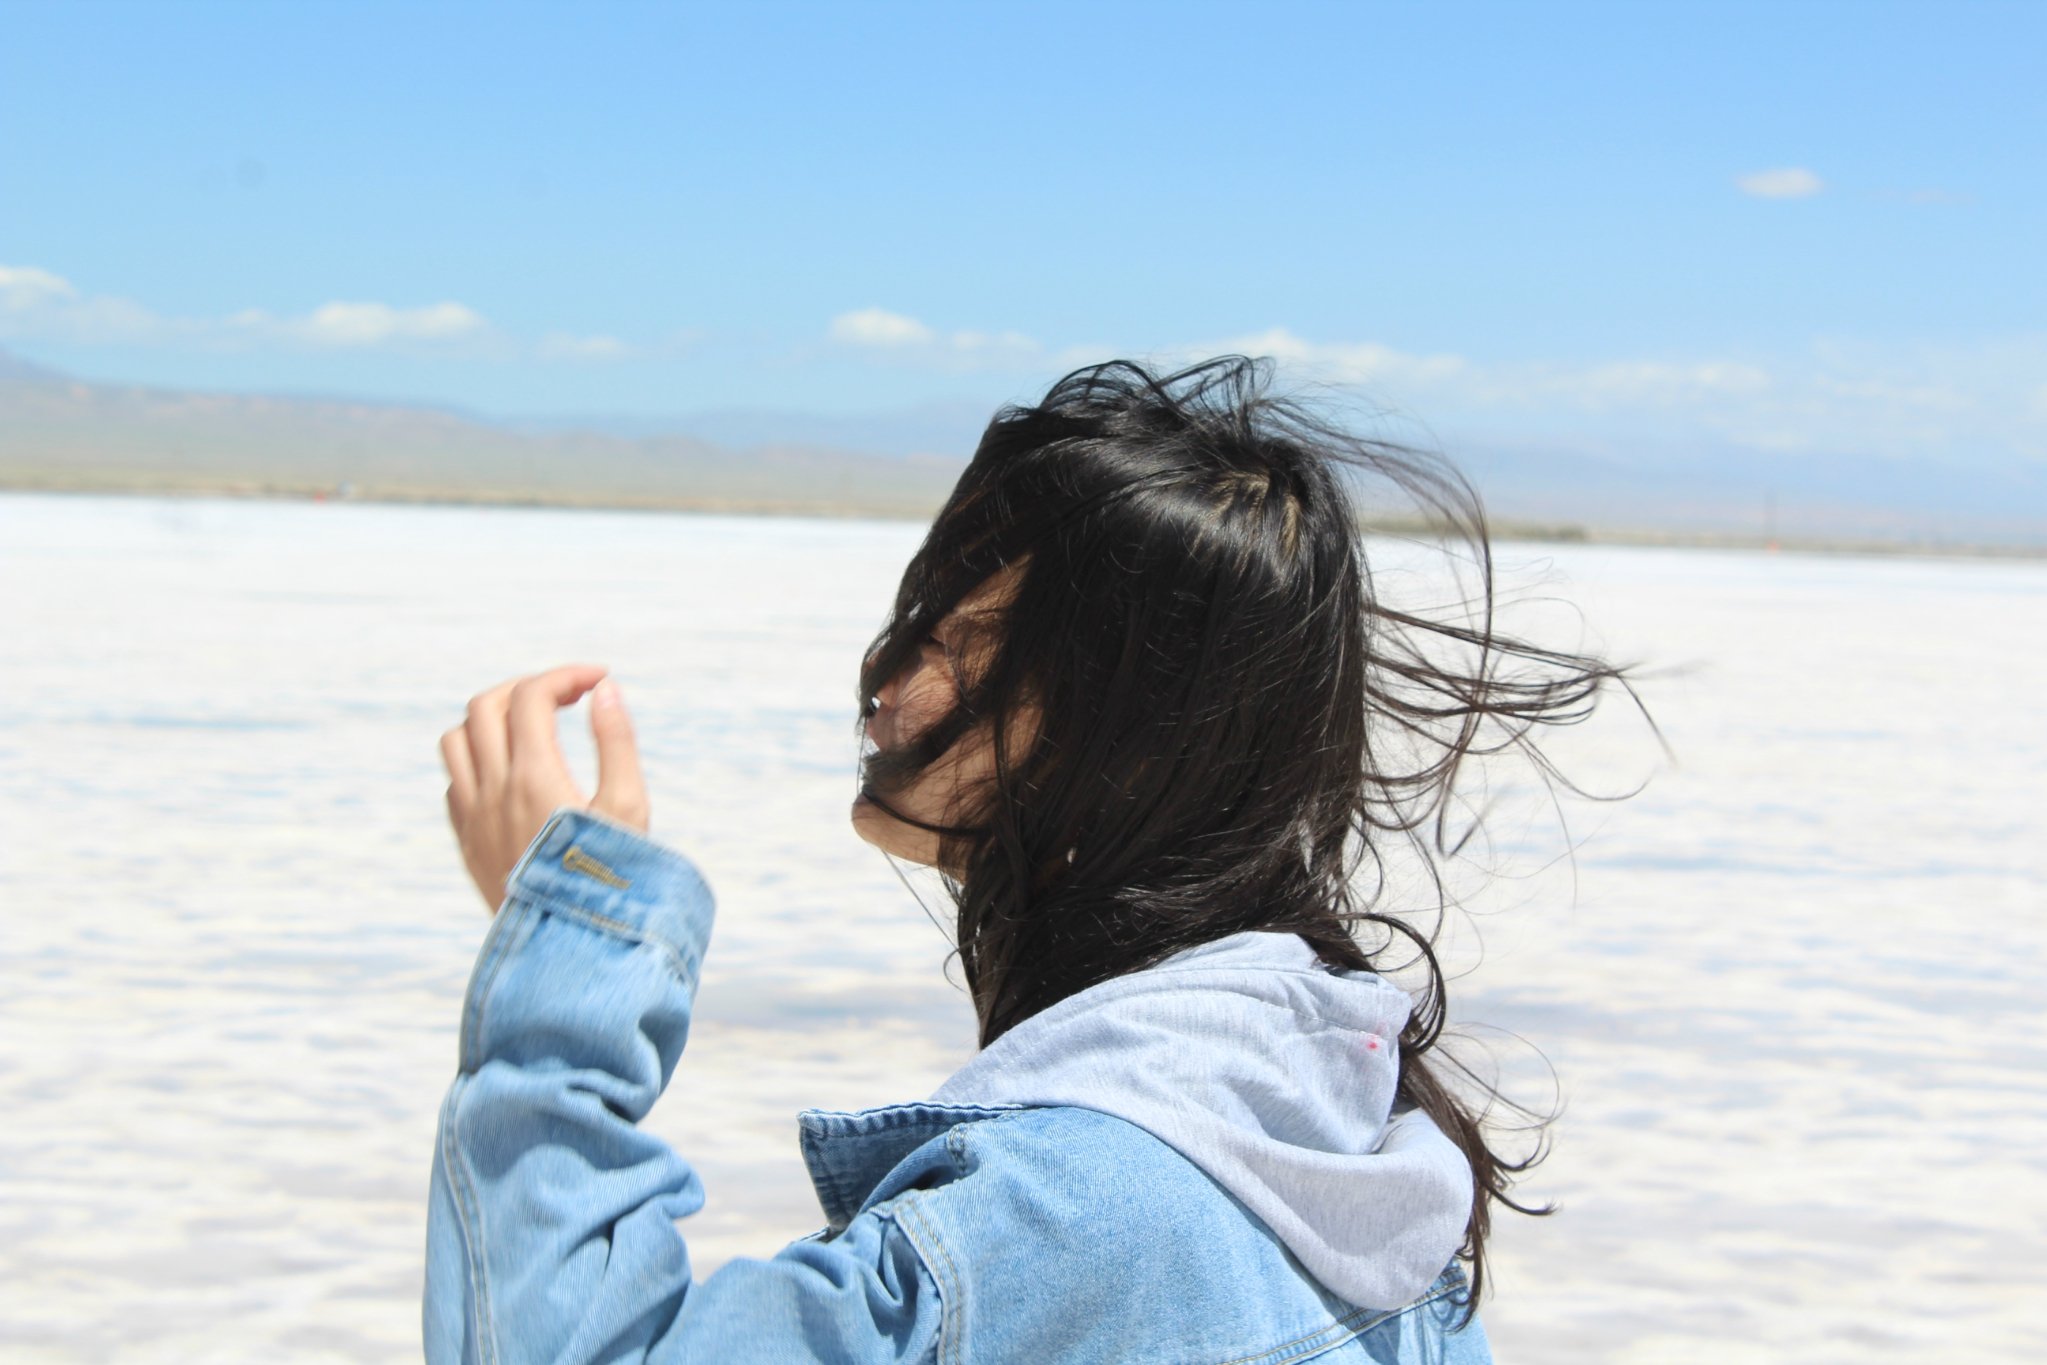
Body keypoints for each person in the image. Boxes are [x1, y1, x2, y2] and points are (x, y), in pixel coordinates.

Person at [427, 356, 1641, 1363]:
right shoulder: (1361, 1142)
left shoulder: (1063, 1216)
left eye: (963, 644)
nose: (887, 684)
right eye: (918, 618)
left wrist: (574, 942)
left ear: (1133, 741)